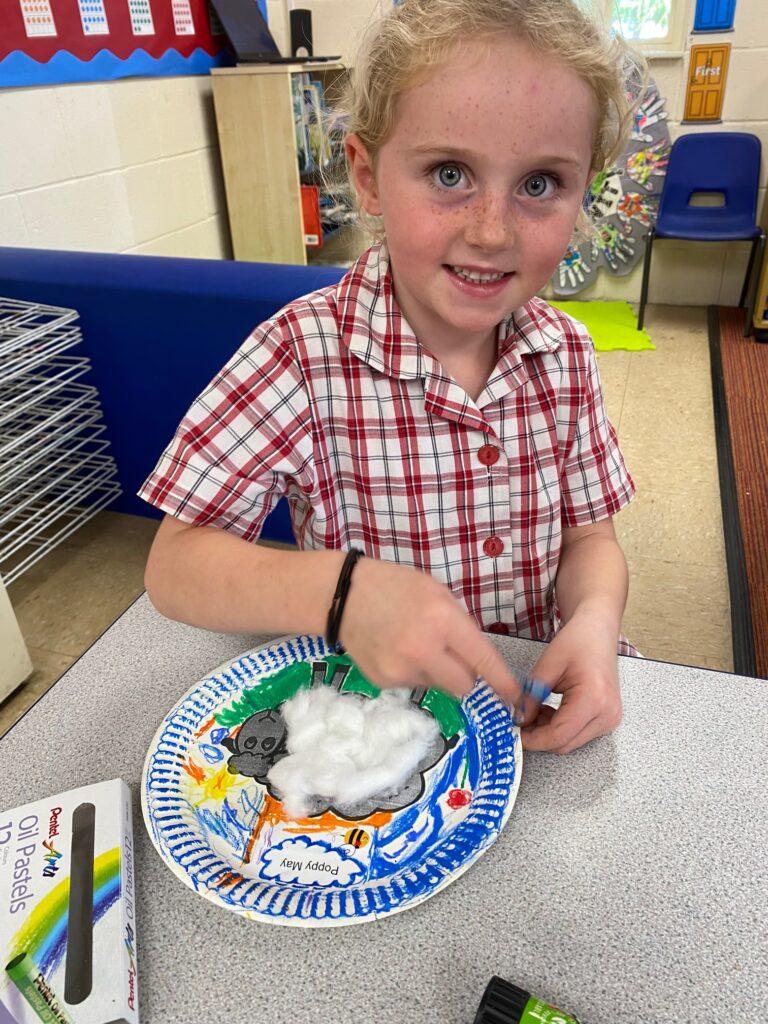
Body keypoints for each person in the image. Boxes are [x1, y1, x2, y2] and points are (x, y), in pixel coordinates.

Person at [142, 0, 644, 754]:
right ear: (368, 177)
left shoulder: (565, 353)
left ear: (583, 193)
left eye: (540, 184)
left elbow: (591, 539)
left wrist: (595, 622)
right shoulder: (300, 354)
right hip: (375, 733)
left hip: (533, 707)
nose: (491, 230)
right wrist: (342, 594)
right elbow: (174, 566)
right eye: (450, 173)